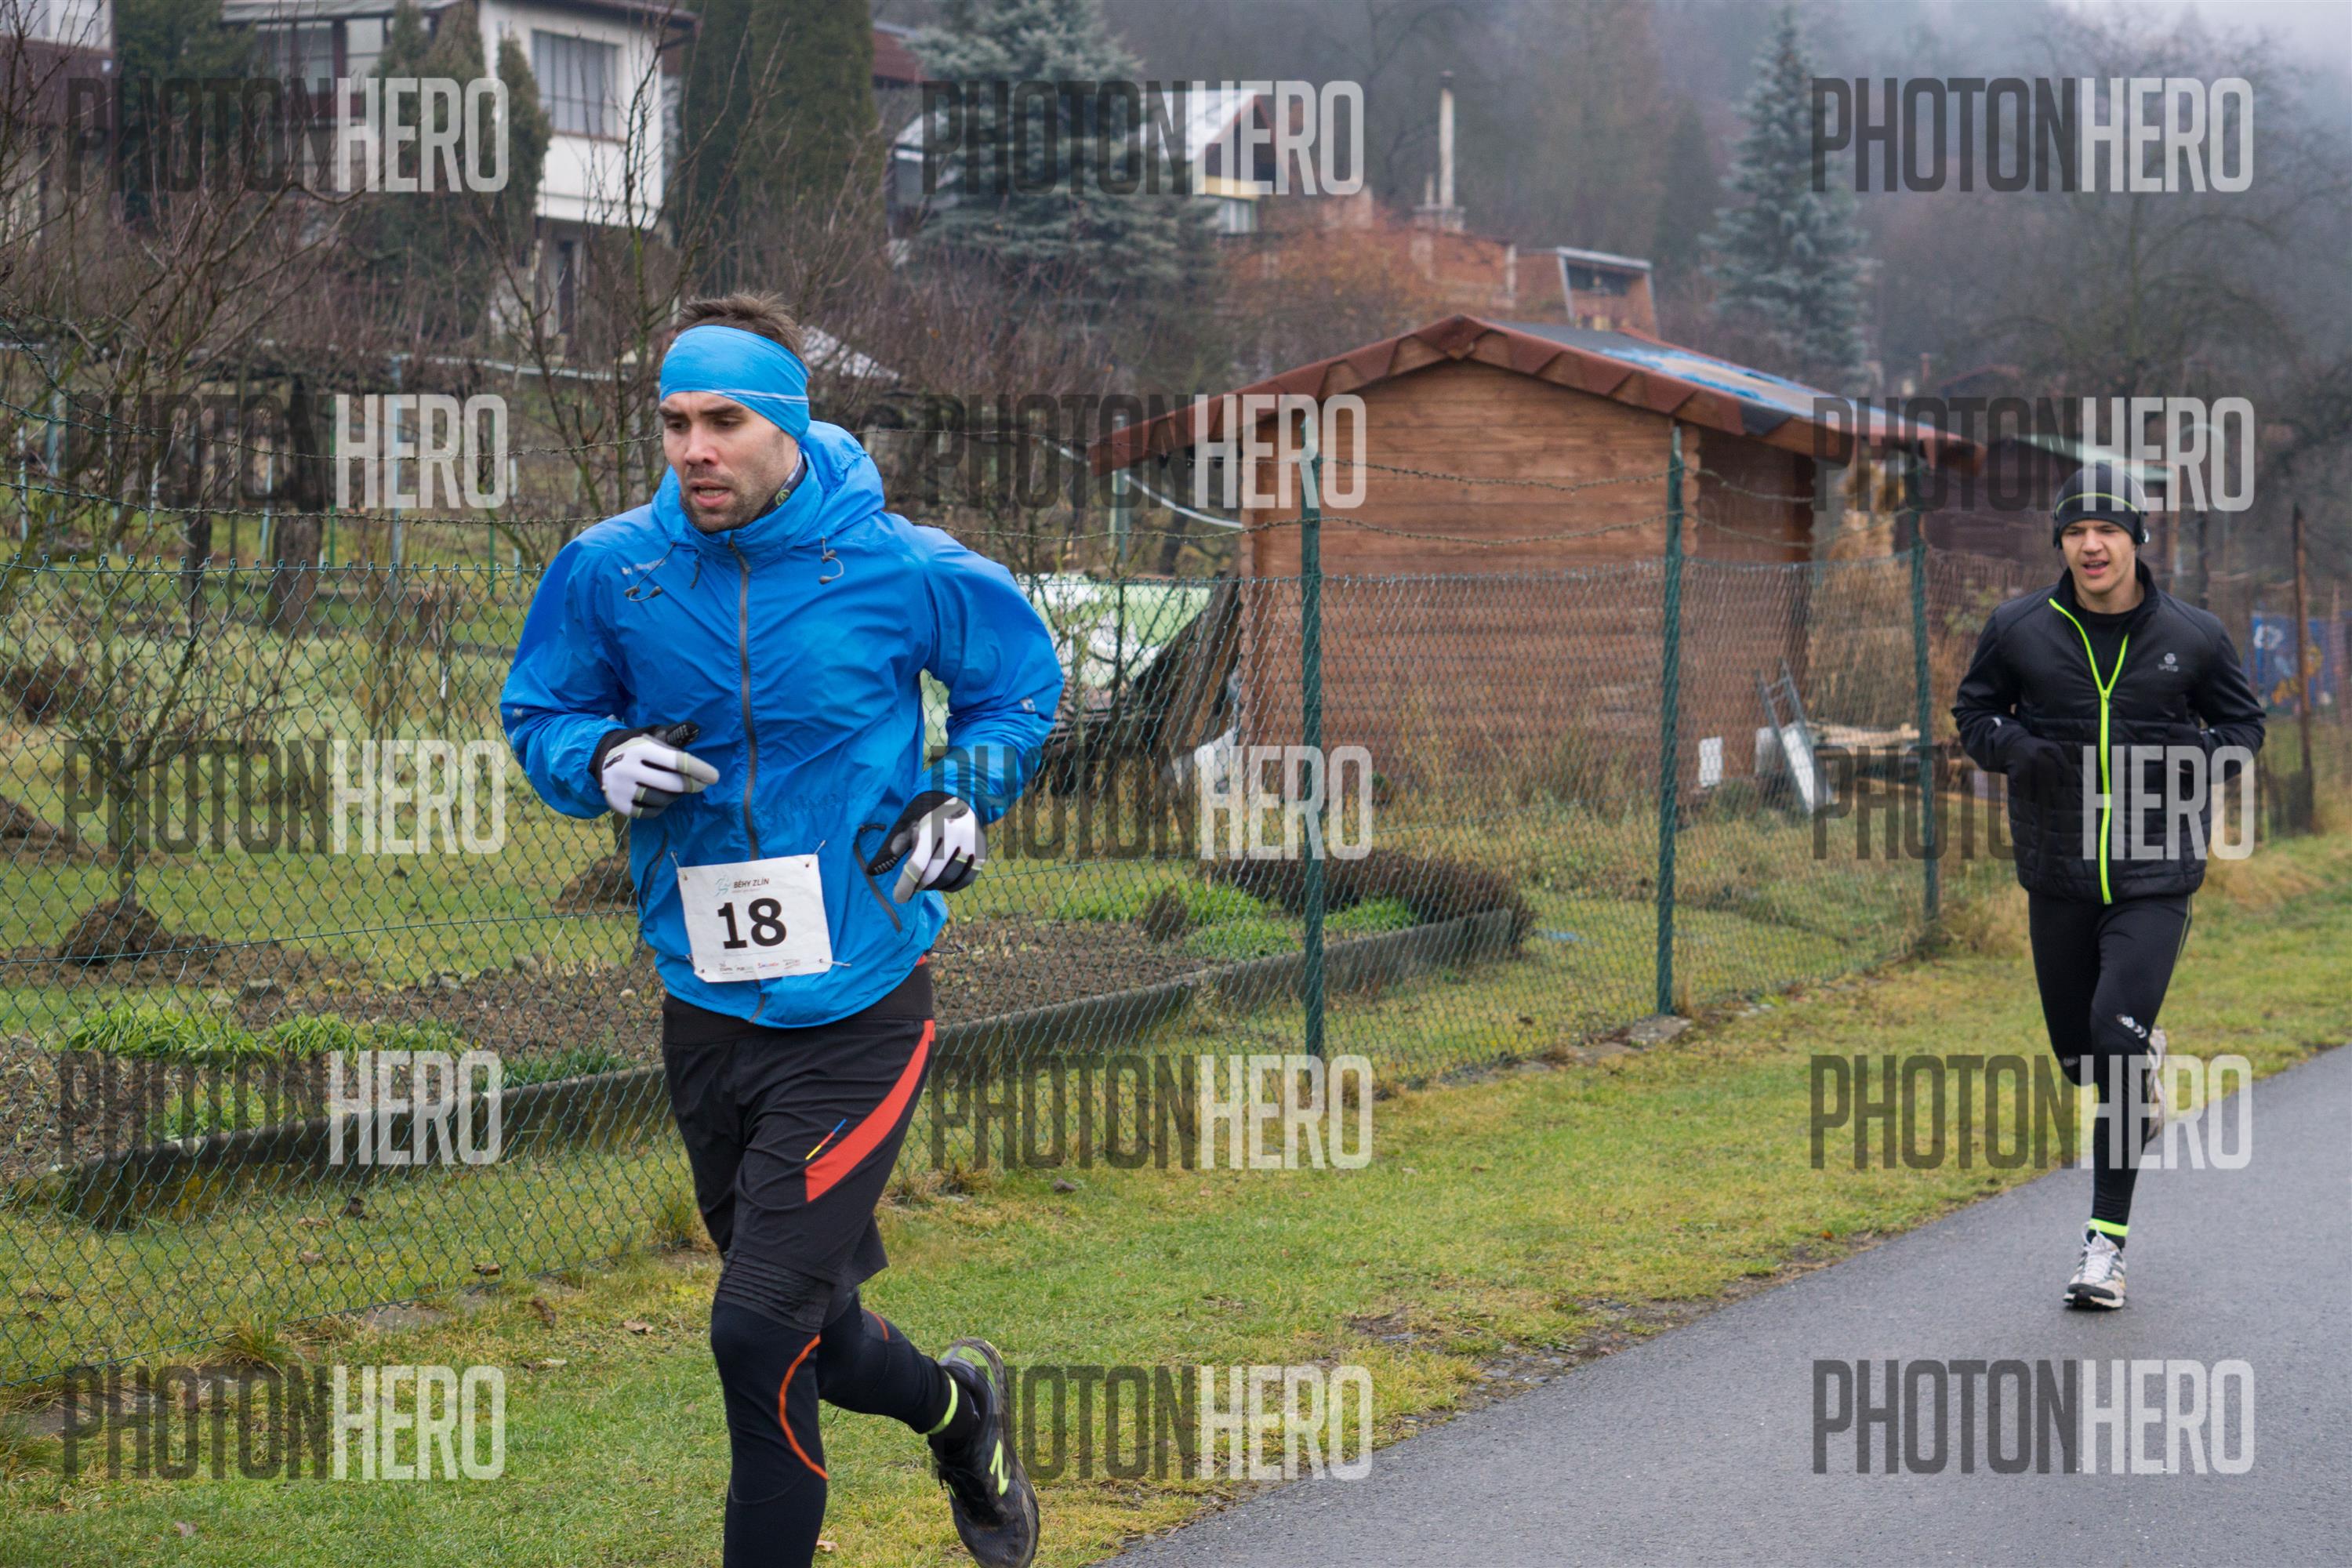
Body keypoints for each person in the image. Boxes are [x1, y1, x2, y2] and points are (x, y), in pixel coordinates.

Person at [502, 292, 1062, 1566]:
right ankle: (961, 1413)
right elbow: (539, 709)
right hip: (705, 1006)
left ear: (791, 428)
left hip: (861, 1006)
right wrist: (598, 757)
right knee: (813, 1327)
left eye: (725, 422)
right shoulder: (613, 570)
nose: (694, 449)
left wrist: (965, 797)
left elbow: (1019, 690)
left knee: (755, 1333)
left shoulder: (900, 566)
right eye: (674, 423)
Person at [1953, 459, 2264, 1309]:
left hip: (2155, 874)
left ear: (2136, 539)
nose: (2092, 545)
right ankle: (2138, 1058)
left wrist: (2196, 756)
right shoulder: (2019, 627)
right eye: (2077, 531)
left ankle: (2104, 1248)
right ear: (2061, 542)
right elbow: (1973, 713)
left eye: (2108, 530)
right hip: (2056, 874)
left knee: (2113, 1045)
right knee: (2081, 1056)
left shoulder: (2195, 635)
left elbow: (2244, 726)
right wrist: (2015, 749)